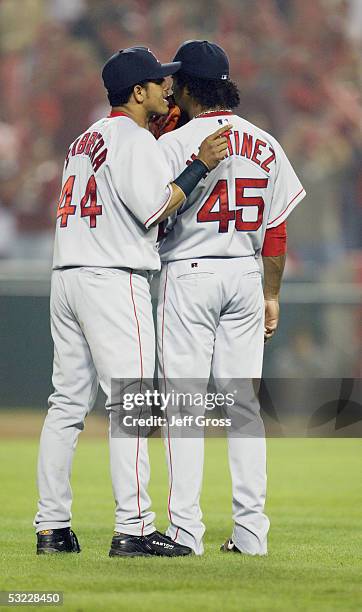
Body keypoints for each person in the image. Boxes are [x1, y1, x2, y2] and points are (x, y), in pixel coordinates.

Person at [34, 46, 230, 557]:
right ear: (137, 92)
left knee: (66, 406)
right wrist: (199, 167)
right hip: (112, 278)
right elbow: (155, 208)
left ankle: (52, 527)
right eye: (159, 82)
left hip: (67, 277)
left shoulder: (84, 140)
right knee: (133, 405)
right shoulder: (132, 138)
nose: (170, 88)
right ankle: (136, 528)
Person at [155, 40, 306, 556]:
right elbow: (278, 231)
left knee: (184, 408)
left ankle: (184, 533)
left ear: (190, 86)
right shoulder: (265, 141)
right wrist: (272, 294)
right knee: (243, 408)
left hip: (190, 274)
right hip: (246, 275)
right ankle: (250, 535)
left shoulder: (172, 143)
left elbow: (148, 216)